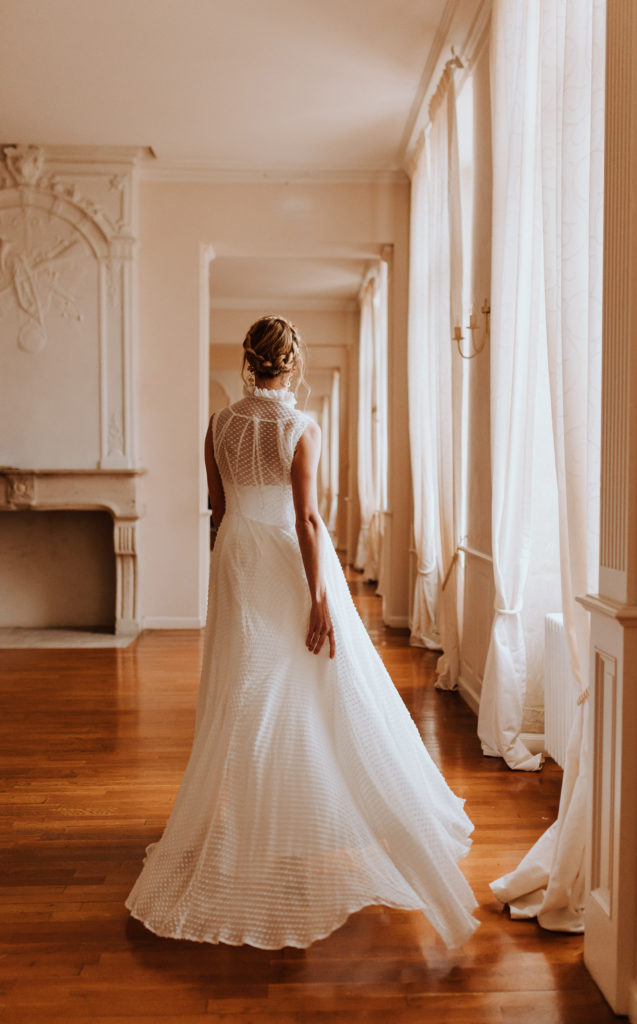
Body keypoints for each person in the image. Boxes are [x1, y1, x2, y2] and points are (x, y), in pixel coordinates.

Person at [125, 314, 479, 950]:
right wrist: (320, 598)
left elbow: (218, 507)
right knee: (302, 680)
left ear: (247, 363)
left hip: (237, 556)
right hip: (288, 559)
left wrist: (230, 559)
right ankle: (283, 816)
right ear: (291, 364)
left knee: (246, 684)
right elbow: (309, 519)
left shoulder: (218, 426)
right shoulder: (298, 428)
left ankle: (264, 814)